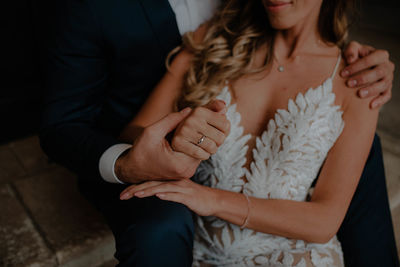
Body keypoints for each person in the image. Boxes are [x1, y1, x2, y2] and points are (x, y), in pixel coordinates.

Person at [39, 0, 397, 266]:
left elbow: (324, 221)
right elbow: (134, 138)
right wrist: (171, 138)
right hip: (203, 250)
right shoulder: (216, 45)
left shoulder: (358, 79)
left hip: (297, 254)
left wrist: (208, 199)